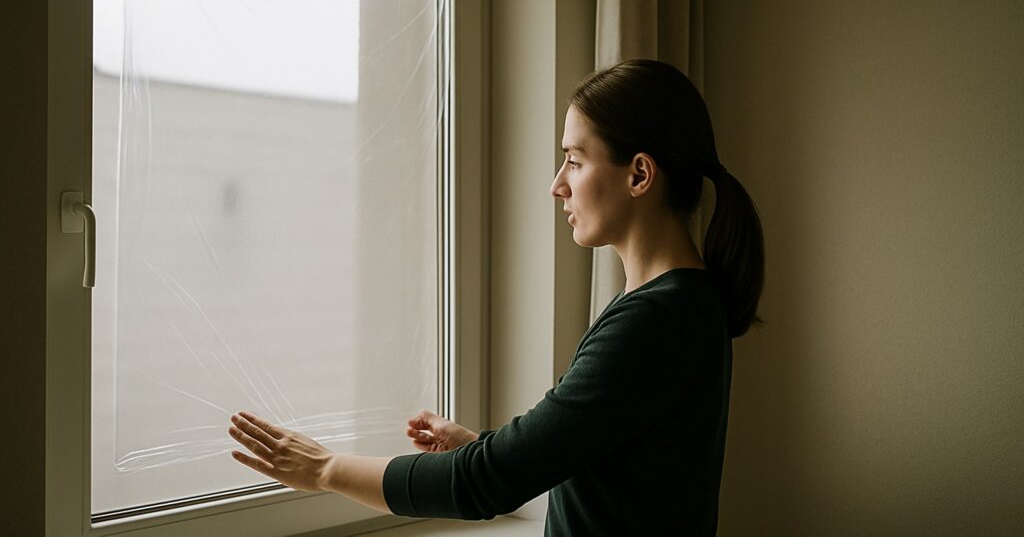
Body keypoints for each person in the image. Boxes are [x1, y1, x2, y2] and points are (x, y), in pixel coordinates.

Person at [228, 59, 765, 535]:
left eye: (575, 160)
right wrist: (479, 445)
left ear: (639, 174)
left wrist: (324, 469)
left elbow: (488, 485)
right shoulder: (682, 303)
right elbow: (605, 457)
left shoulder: (657, 320)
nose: (558, 185)